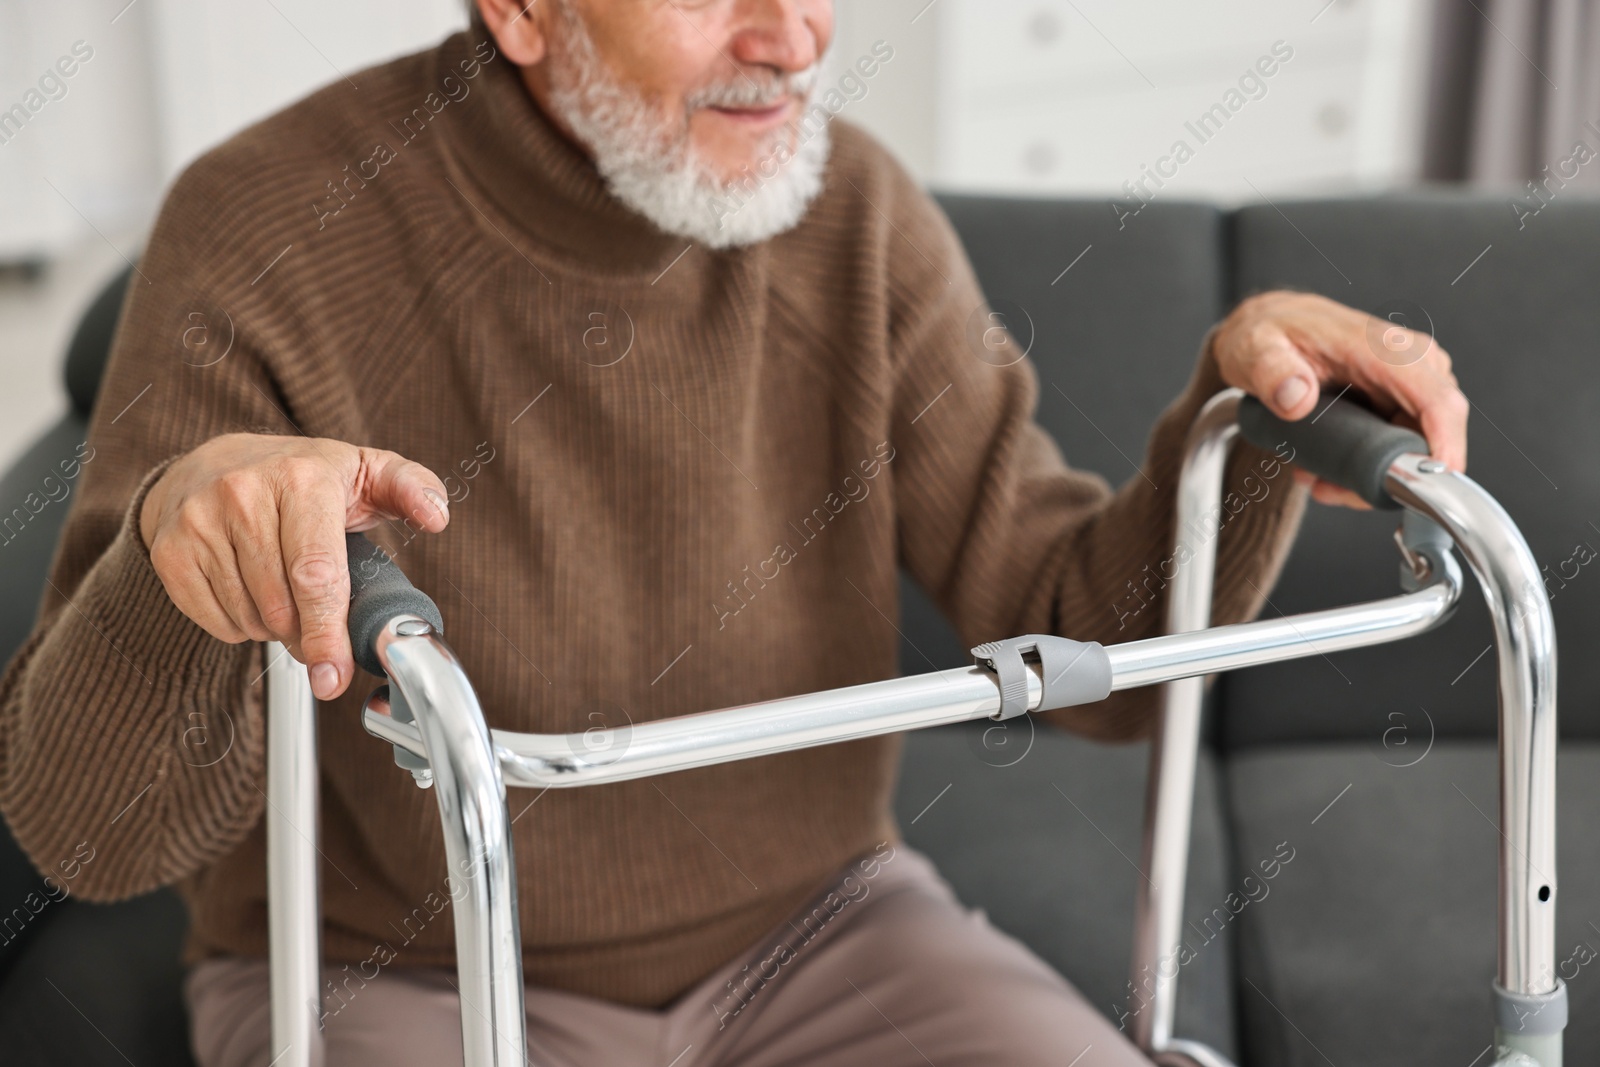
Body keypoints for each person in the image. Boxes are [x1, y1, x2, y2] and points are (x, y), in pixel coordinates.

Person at [0, 1, 1467, 1064]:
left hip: (822, 936)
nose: (795, 36)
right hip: (400, 979)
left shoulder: (861, 224)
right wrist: (175, 579)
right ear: (519, 10)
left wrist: (1247, 420)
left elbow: (1092, 637)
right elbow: (91, 835)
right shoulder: (260, 232)